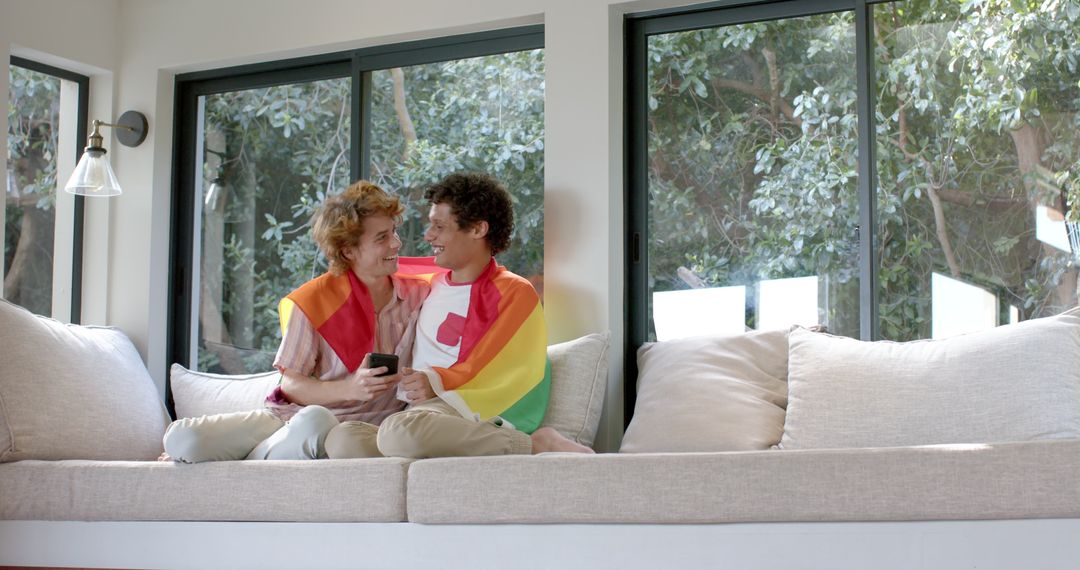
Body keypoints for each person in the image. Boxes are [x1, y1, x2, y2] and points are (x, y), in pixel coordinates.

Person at [324, 172, 593, 458]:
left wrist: (435, 382)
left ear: (477, 229)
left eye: (439, 226)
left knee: (400, 433)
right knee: (343, 438)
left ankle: (533, 444)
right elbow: (363, 276)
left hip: (465, 407)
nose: (429, 236)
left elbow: (508, 367)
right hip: (420, 415)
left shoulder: (514, 291)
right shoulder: (425, 285)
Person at [162, 180, 429, 462]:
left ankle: (249, 459)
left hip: (338, 431)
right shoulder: (315, 300)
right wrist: (349, 388)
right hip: (287, 420)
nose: (396, 243)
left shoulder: (419, 296)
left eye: (394, 232)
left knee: (318, 422)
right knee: (183, 439)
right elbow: (290, 385)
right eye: (382, 238)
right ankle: (255, 455)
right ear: (349, 250)